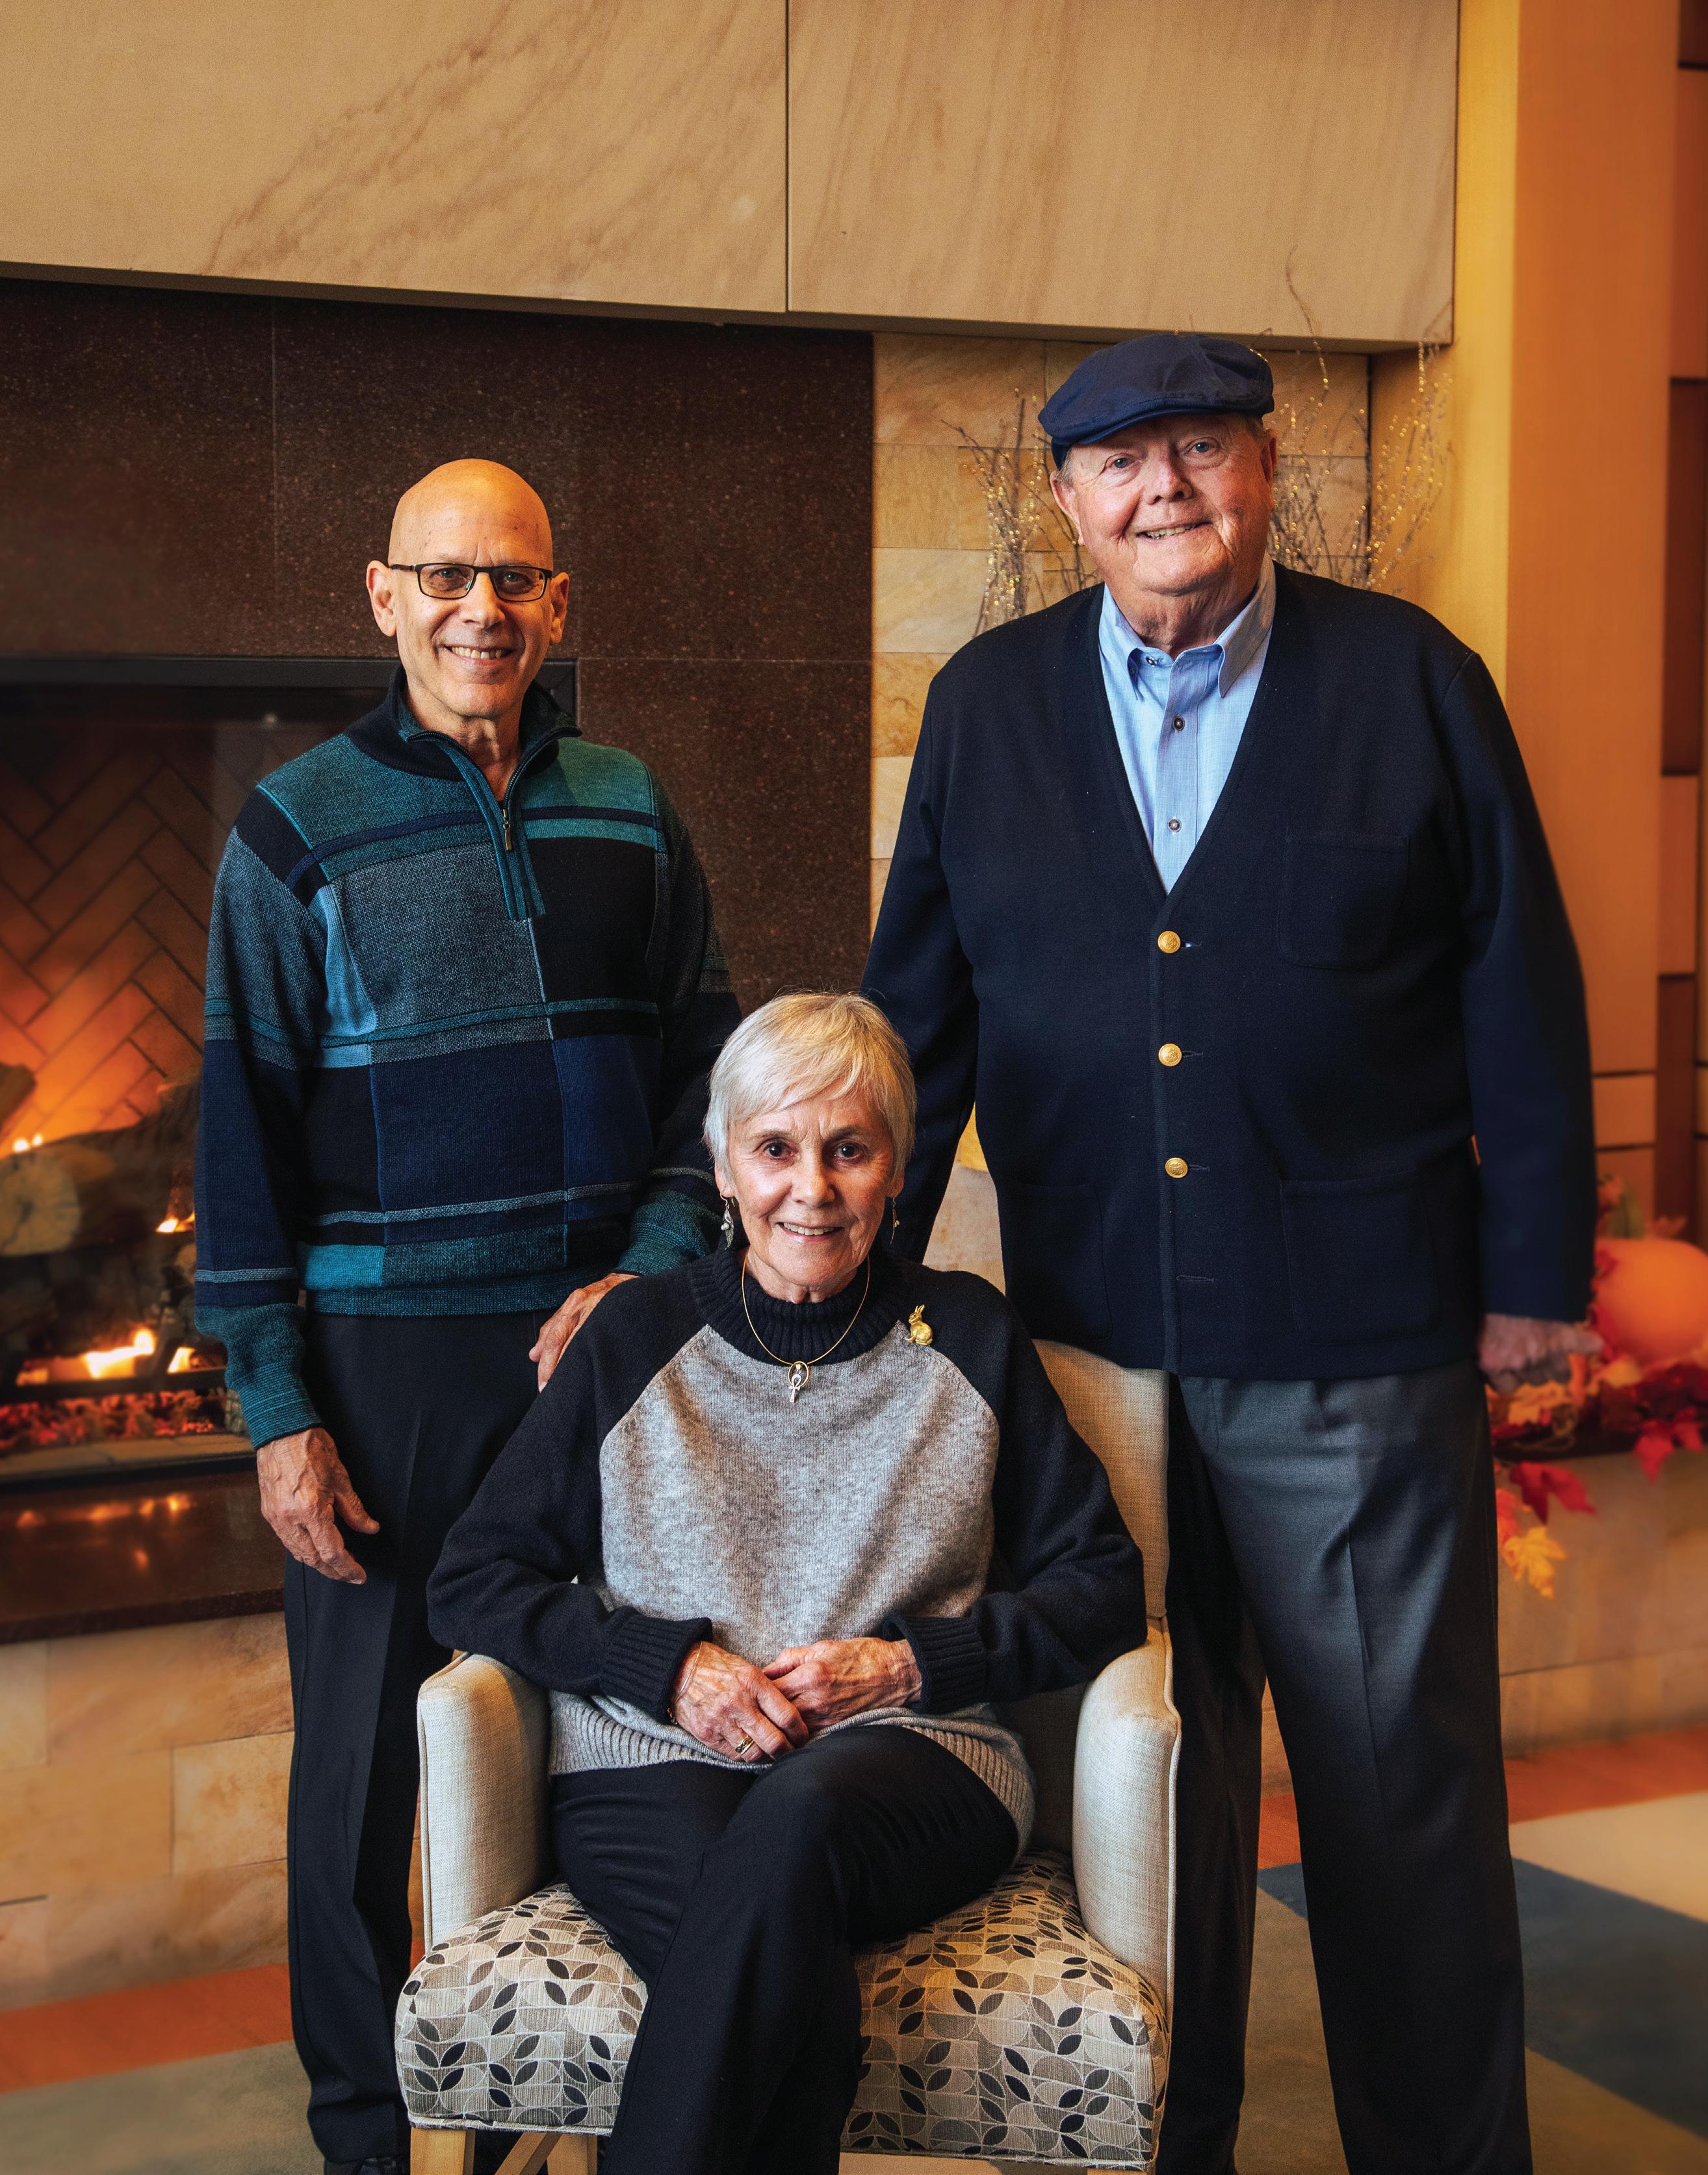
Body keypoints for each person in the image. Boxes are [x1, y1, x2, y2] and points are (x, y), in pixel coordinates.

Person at [861, 333, 1596, 2175]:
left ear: (1267, 470)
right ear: (1065, 501)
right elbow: (915, 1024)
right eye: (1119, 461)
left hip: (1359, 1348)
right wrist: (847, 1294)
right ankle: (1157, 2149)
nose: (1163, 488)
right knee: (1141, 1793)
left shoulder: (1414, 680)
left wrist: (1530, 1280)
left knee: (1396, 1798)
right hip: (1089, 1353)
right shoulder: (986, 704)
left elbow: (1518, 990)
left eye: (1200, 447)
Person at [194, 459, 739, 2175]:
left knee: (592, 1732)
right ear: (383, 595)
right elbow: (238, 1136)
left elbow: (706, 1078)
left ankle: (539, 2095)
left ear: (557, 604)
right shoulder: (291, 829)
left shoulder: (633, 809)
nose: (478, 611)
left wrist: (651, 1265)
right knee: (362, 1773)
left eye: (511, 580)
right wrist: (278, 1407)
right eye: (443, 577)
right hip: (383, 1371)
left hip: (600, 1358)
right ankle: (367, 2133)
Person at [428, 991, 1148, 2174]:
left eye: (849, 1150)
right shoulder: (633, 1339)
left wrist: (911, 1664)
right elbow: (472, 1579)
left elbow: (1104, 1584)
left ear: (895, 1171)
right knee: (771, 1967)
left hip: (914, 1757)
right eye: (775, 1148)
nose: (811, 1188)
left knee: (792, 1833)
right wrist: (665, 1668)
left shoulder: (969, 1335)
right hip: (651, 1762)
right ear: (723, 1166)